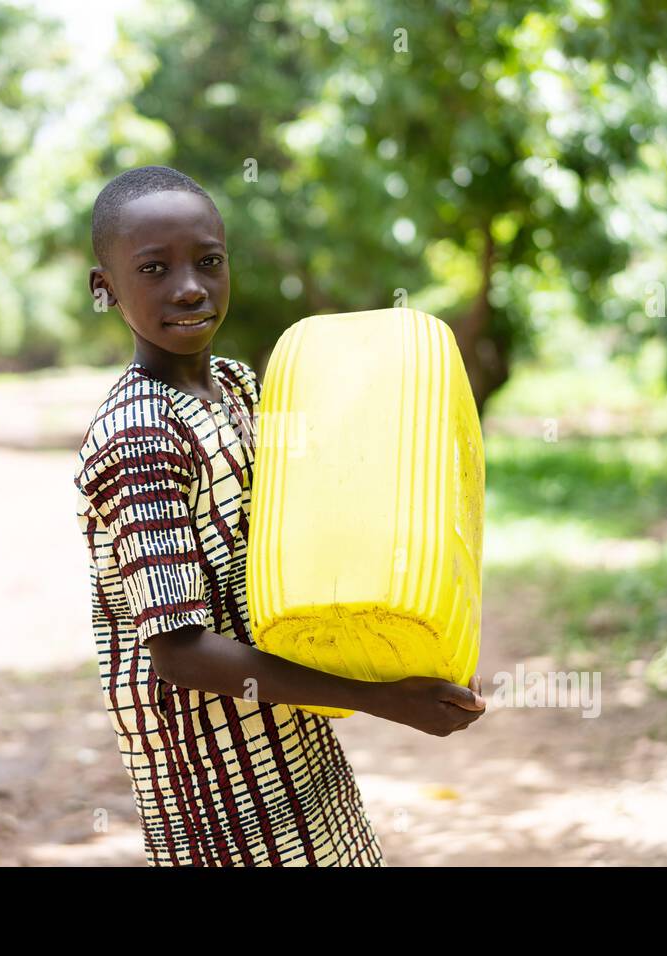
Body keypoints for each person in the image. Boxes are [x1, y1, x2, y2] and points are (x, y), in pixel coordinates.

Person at [72, 165, 486, 867]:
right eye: (154, 269)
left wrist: (421, 646)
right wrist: (382, 697)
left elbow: (314, 534)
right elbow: (178, 651)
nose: (190, 287)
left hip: (289, 727)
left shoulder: (237, 385)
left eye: (208, 261)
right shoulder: (139, 437)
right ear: (104, 288)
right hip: (210, 776)